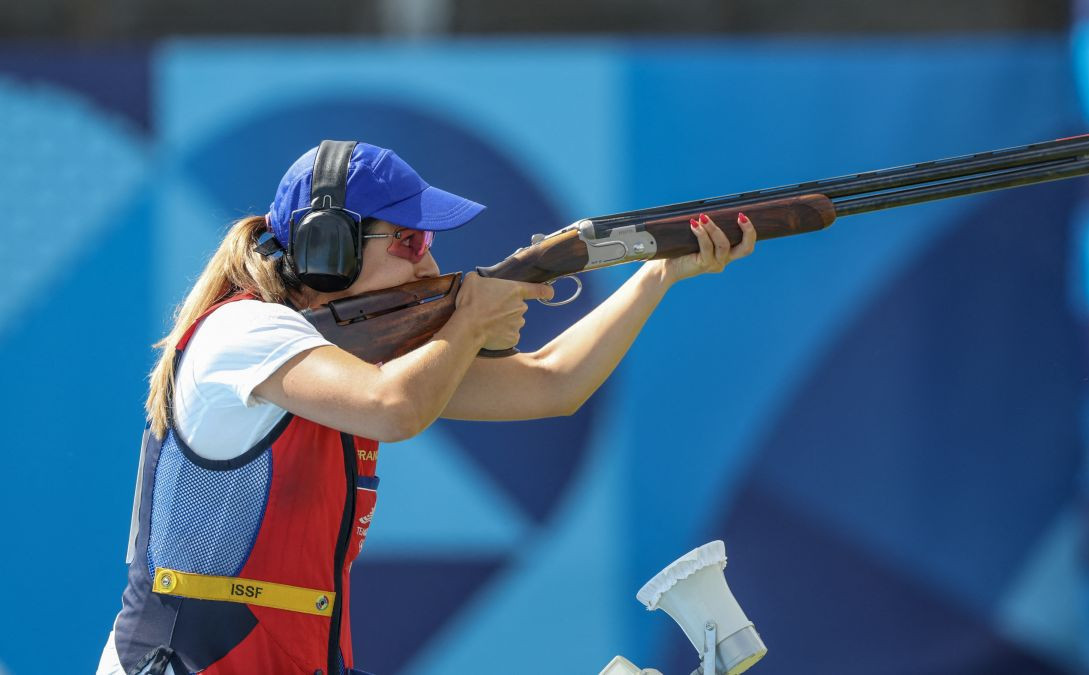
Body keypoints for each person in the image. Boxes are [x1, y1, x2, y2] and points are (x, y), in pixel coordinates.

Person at [98, 140, 756, 675]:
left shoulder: (349, 355)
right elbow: (394, 409)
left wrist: (657, 273)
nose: (432, 261)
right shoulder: (240, 335)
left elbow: (555, 382)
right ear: (332, 249)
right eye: (409, 242)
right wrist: (467, 320)